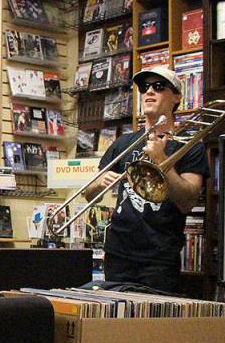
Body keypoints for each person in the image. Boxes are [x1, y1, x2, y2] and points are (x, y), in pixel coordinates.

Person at [84, 67, 206, 293]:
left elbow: (188, 200)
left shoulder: (189, 146)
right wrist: (99, 184)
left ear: (176, 97)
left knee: (153, 325)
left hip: (159, 256)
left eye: (158, 87)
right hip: (118, 251)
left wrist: (161, 161)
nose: (149, 92)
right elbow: (88, 194)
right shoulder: (123, 143)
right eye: (144, 87)